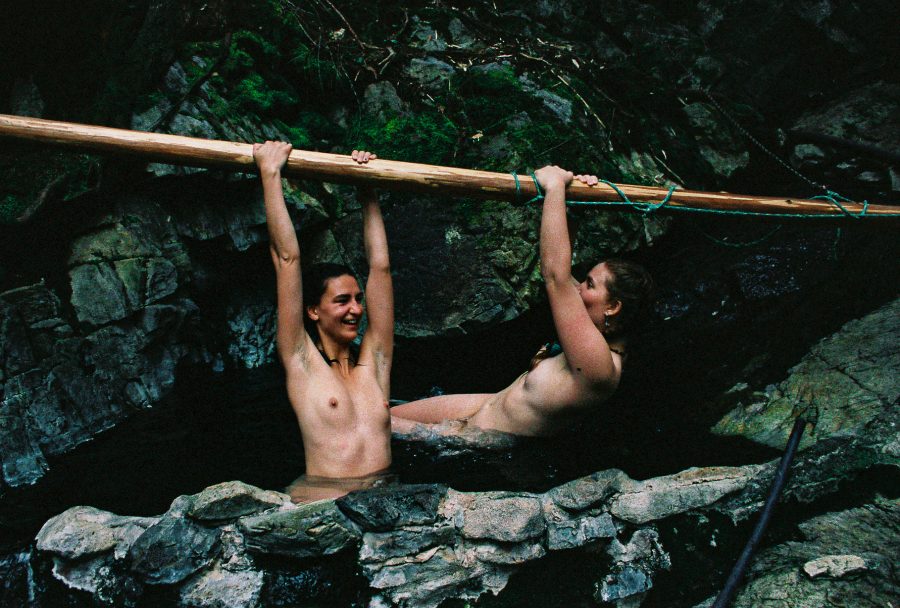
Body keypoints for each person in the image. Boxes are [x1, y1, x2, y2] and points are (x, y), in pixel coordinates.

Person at [391, 166, 654, 437]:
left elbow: (556, 276)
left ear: (613, 307)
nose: (578, 287)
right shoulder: (592, 339)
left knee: (371, 424)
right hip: (486, 404)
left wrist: (554, 188)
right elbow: (560, 276)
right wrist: (574, 208)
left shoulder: (600, 367)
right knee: (382, 415)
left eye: (589, 284)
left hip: (476, 442)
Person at [254, 142, 394, 500]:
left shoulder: (375, 364)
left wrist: (367, 188)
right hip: (323, 505)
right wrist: (270, 173)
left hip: (384, 502)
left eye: (358, 300)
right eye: (342, 301)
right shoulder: (301, 363)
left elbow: (380, 267)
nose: (357, 310)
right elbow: (287, 259)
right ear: (313, 310)